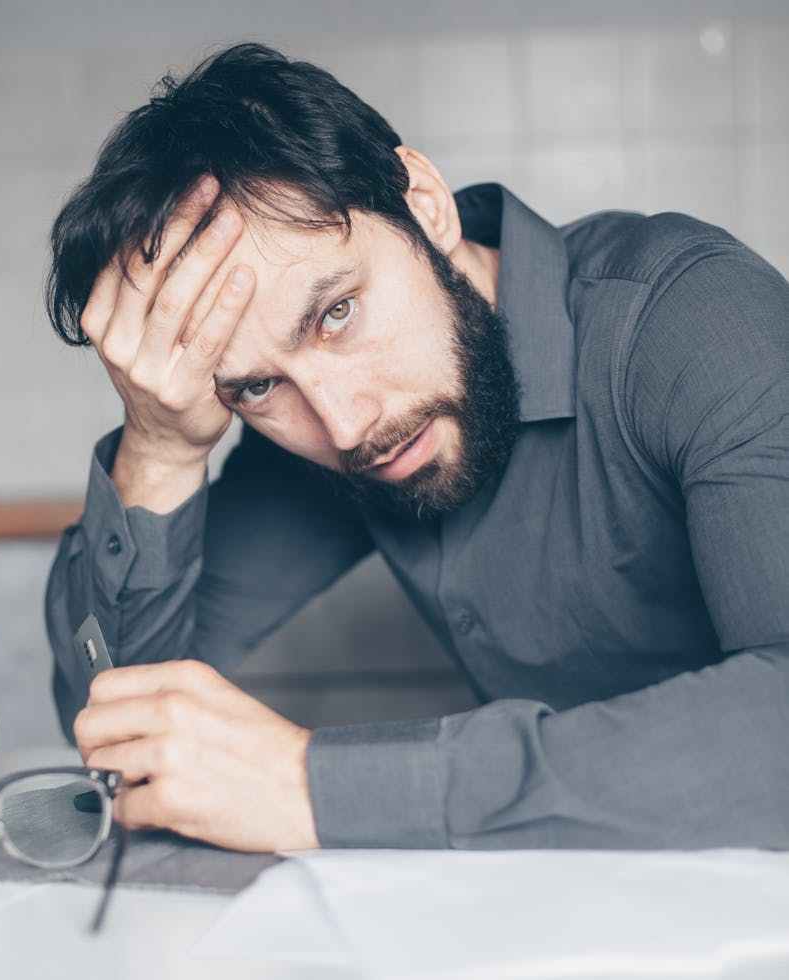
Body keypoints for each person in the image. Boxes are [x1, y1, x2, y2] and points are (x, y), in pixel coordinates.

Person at [44, 42, 789, 854]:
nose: (344, 425)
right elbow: (117, 729)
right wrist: (160, 448)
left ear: (425, 204)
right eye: (254, 387)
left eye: (336, 313)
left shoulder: (691, 319)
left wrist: (318, 787)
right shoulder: (328, 430)